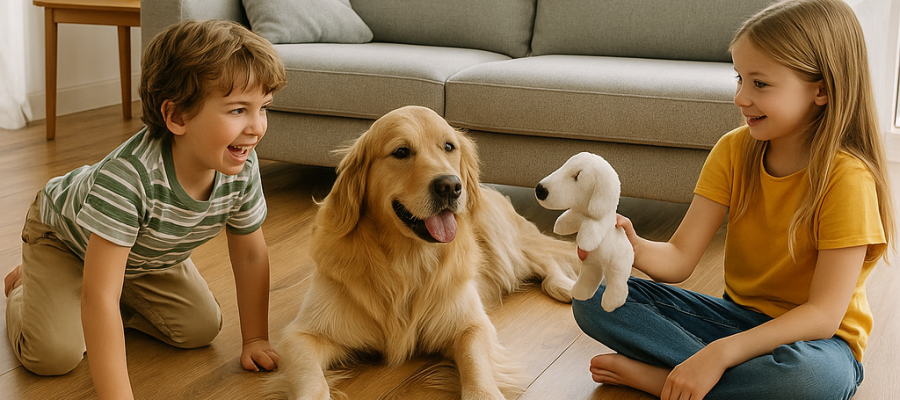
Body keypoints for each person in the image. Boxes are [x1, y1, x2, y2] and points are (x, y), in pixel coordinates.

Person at [571, 0, 895, 399]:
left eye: (760, 84)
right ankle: (723, 382)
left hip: (817, 344)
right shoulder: (732, 150)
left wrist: (721, 354)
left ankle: (664, 380)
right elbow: (678, 258)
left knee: (811, 380)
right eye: (739, 78)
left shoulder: (848, 179)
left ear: (821, 90)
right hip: (734, 320)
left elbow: (823, 316)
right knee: (593, 299)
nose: (741, 97)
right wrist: (630, 246)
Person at [4, 19, 287, 399]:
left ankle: (99, 281)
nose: (257, 127)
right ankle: (31, 285)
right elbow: (100, 298)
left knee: (199, 329)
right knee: (54, 355)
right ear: (177, 117)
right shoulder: (129, 179)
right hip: (63, 239)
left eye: (263, 108)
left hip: (139, 255)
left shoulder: (241, 166)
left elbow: (251, 255)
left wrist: (255, 338)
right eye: (238, 110)